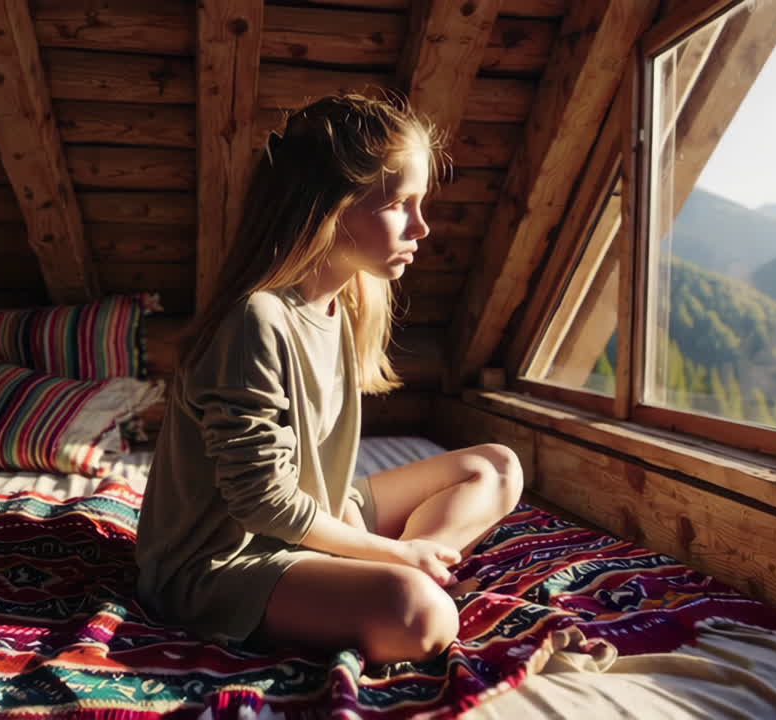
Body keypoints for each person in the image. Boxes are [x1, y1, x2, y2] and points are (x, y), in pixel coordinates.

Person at [135, 93, 524, 665]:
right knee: (421, 616)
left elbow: (319, 475)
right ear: (330, 207)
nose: (422, 226)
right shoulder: (256, 320)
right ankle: (403, 573)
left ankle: (410, 564)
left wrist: (397, 552)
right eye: (401, 204)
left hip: (311, 516)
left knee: (496, 467)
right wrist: (389, 558)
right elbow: (263, 505)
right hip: (221, 564)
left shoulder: (344, 306)